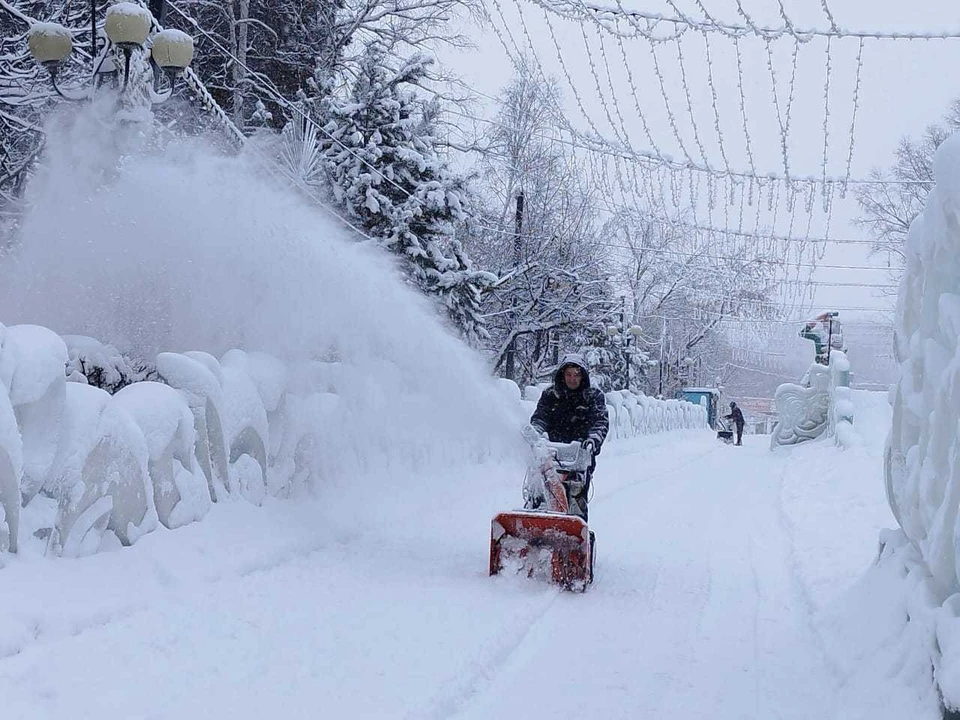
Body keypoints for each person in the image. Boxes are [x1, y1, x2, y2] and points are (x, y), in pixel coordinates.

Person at [529, 354, 609, 519]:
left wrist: (592, 440)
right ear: (562, 375)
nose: (572, 379)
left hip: (579, 457)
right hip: (551, 453)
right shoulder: (551, 395)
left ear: (583, 376)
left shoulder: (593, 397)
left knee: (575, 500)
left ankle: (576, 531)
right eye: (568, 375)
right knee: (539, 493)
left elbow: (600, 422)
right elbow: (540, 417)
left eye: (576, 375)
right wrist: (535, 432)